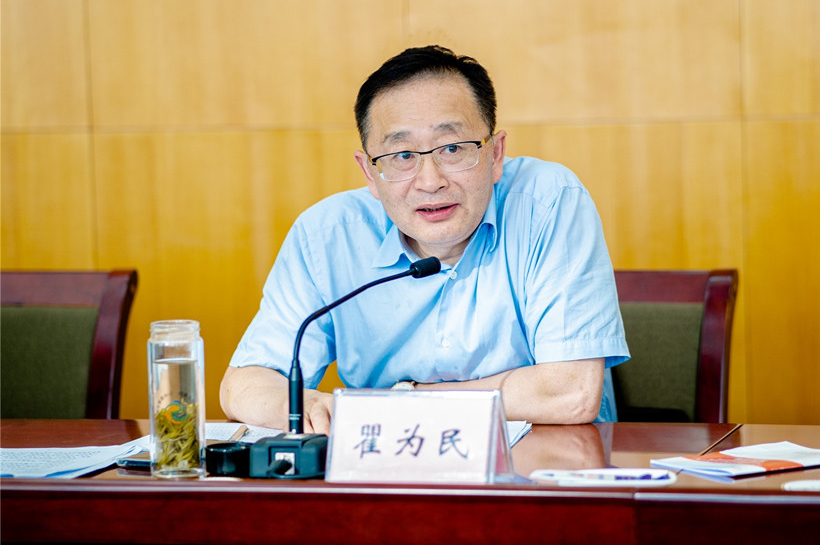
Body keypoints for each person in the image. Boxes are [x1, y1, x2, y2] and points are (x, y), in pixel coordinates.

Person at [220, 45, 630, 434]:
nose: (430, 182)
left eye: (452, 148)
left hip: (543, 468)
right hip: (389, 469)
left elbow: (570, 393)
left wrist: (403, 401)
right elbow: (243, 386)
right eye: (402, 156)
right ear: (369, 173)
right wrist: (304, 405)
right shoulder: (327, 236)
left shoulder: (547, 202)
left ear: (495, 154)